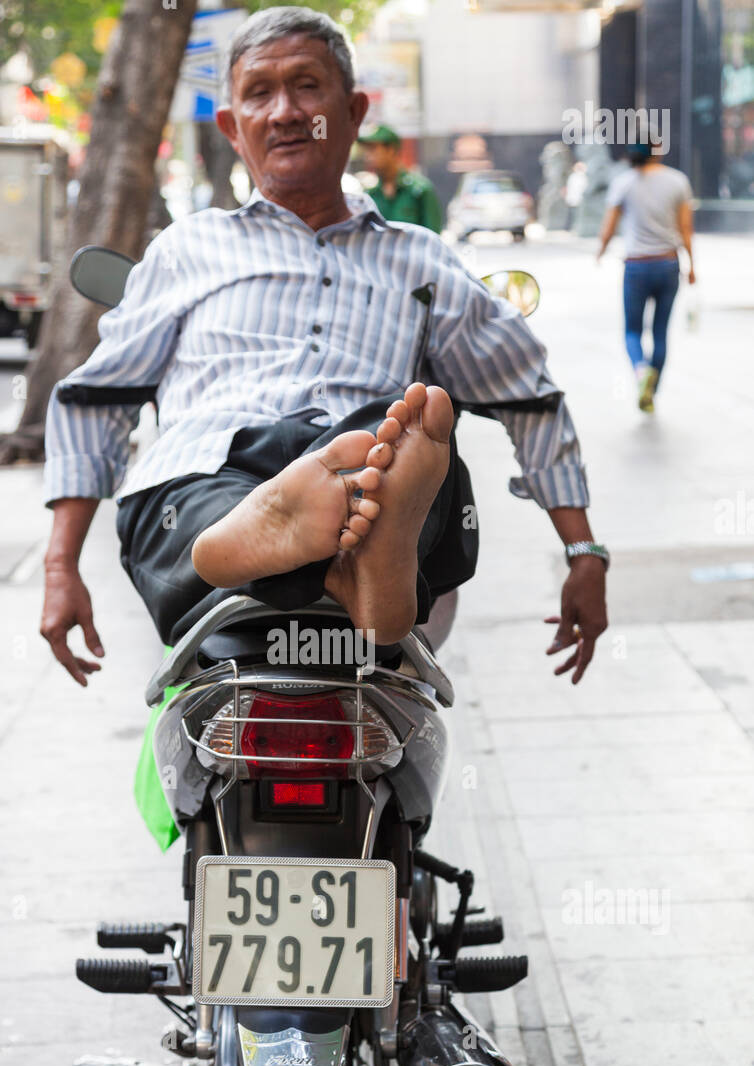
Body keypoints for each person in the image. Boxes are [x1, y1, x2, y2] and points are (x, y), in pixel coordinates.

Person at [41, 7, 608, 688]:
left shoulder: (421, 262)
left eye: (307, 86)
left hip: (362, 467)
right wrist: (59, 567)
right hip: (207, 477)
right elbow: (94, 399)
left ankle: (355, 541)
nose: (284, 111)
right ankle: (300, 534)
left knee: (401, 435)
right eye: (259, 92)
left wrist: (584, 552)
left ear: (354, 110)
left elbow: (529, 394)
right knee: (198, 494)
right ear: (232, 126)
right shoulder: (186, 250)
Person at [596, 139, 695, 412]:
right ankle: (653, 387)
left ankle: (641, 373)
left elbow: (609, 226)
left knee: (632, 330)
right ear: (657, 150)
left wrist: (600, 251)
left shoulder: (623, 182)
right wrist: (693, 265)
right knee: (660, 332)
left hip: (636, 266)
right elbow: (686, 229)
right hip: (667, 264)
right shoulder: (678, 181)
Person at [357, 124, 443, 233]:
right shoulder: (370, 195)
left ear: (391, 150)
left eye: (373, 149)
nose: (367, 156)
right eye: (365, 150)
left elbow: (433, 237)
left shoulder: (419, 190)